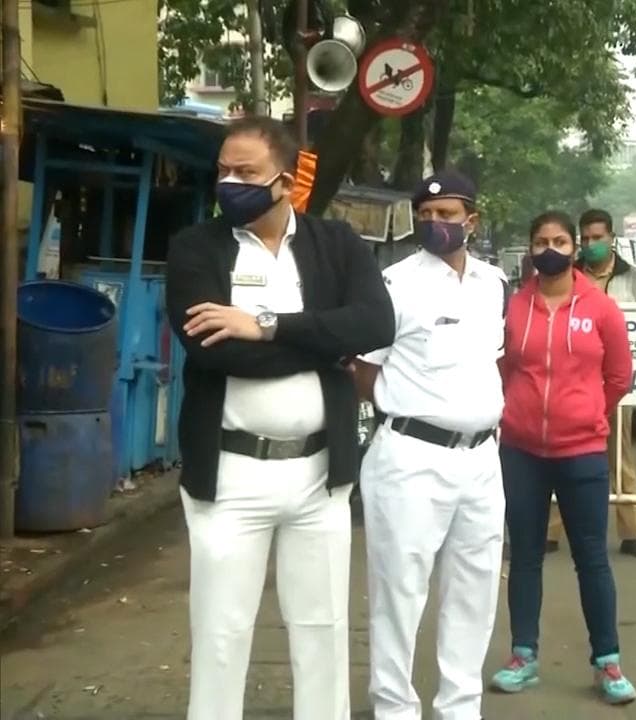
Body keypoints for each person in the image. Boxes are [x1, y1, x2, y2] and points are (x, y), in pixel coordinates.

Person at [165, 116, 395, 720]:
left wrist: (265, 325)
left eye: (245, 173)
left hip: (319, 476)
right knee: (221, 632)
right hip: (231, 477)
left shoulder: (335, 243)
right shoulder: (196, 247)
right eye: (222, 171)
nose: (228, 183)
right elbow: (211, 347)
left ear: (285, 182)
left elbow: (375, 323)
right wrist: (322, 339)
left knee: (322, 628)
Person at [353, 170, 508, 720]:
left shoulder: (493, 283)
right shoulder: (393, 285)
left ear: (473, 221)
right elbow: (364, 370)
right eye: (426, 215)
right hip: (411, 457)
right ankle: (394, 706)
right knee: (399, 592)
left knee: (475, 589)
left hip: (483, 459)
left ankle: (460, 705)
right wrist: (409, 405)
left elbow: (492, 361)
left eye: (447, 215)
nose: (435, 223)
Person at [490, 211, 636, 705]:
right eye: (540, 241)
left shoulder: (600, 308)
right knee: (527, 555)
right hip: (522, 451)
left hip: (582, 452)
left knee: (593, 558)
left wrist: (589, 412)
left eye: (558, 240)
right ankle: (523, 655)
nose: (549, 248)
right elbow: (505, 366)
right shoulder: (514, 306)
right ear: (530, 248)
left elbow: (618, 375)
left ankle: (608, 661)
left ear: (574, 248)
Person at [545, 208, 636, 559]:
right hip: (570, 381)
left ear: (612, 238)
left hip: (614, 383)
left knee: (619, 453)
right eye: (587, 239)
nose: (592, 244)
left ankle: (632, 532)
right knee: (556, 454)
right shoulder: (568, 273)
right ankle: (549, 531)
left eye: (599, 237)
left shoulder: (635, 279)